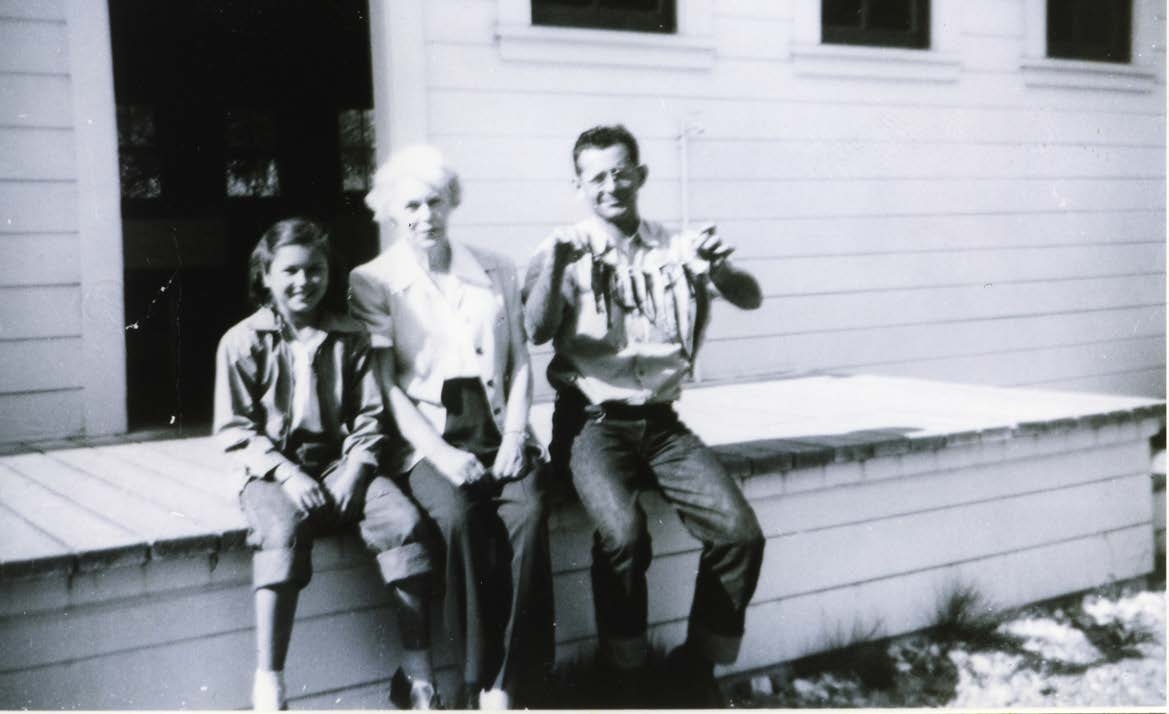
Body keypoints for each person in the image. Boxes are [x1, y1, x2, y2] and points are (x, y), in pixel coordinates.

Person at [523, 124, 767, 706]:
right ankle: (625, 674)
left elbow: (750, 296)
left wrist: (721, 269)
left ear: (641, 175)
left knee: (739, 534)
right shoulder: (562, 247)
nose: (612, 185)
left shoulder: (676, 248)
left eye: (621, 171)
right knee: (624, 536)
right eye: (598, 176)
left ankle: (696, 666)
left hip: (660, 424)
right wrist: (556, 268)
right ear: (579, 184)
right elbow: (534, 331)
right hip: (591, 423)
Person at [350, 146, 554, 710]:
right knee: (460, 519)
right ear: (393, 213)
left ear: (452, 202)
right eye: (411, 205)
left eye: (434, 201)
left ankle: (510, 683)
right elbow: (388, 387)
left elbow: (517, 366)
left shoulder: (495, 267)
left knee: (530, 513)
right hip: (428, 433)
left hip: (496, 421)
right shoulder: (373, 280)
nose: (425, 216)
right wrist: (440, 455)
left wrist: (515, 437)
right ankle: (476, 679)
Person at [214, 218, 439, 710]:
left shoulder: (350, 336)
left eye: (314, 270)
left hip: (342, 463)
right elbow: (236, 429)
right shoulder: (242, 341)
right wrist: (286, 474)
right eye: (290, 271)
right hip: (274, 469)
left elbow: (371, 416)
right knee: (281, 534)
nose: (303, 282)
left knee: (404, 524)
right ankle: (269, 683)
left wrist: (358, 471)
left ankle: (418, 676)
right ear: (266, 275)